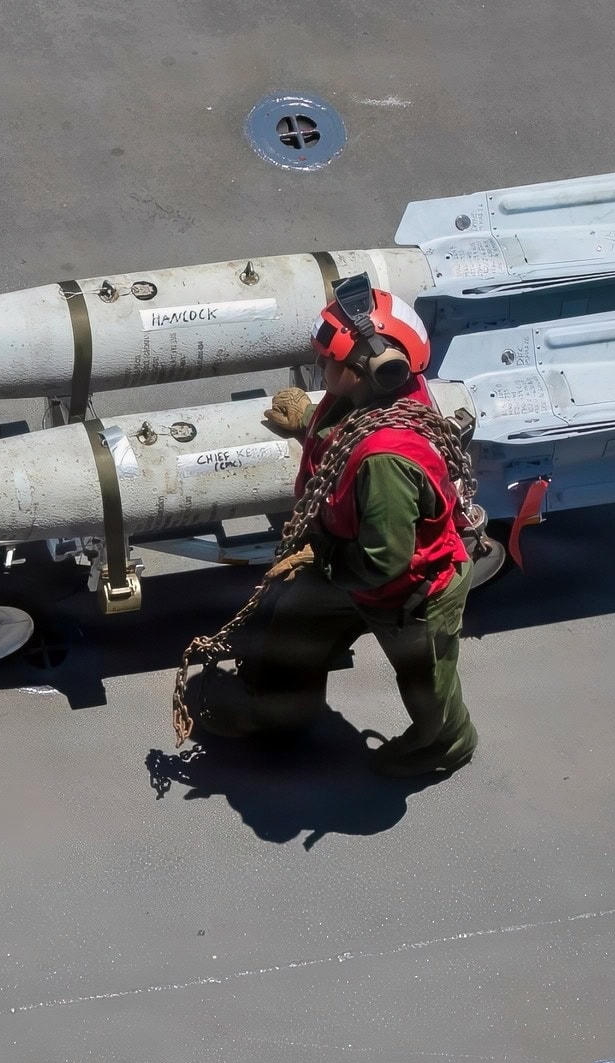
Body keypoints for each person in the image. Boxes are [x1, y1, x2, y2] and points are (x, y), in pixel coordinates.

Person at [185, 282, 478, 777]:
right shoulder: (379, 397)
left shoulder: (386, 461)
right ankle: (277, 720)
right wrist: (306, 420)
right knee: (292, 630)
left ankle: (445, 744)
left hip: (410, 592)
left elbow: (386, 561)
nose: (319, 364)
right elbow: (345, 436)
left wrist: (318, 559)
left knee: (426, 683)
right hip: (353, 561)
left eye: (327, 359)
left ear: (369, 369)